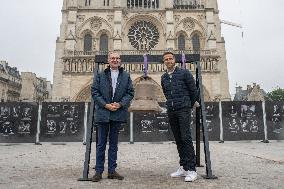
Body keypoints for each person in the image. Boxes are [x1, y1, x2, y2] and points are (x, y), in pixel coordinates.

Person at [91, 52, 134, 182]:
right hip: (103, 112)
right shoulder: (100, 75)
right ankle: (98, 171)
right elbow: (94, 92)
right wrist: (105, 105)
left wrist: (120, 104)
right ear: (108, 60)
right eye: (112, 58)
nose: (115, 60)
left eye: (117, 58)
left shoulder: (126, 76)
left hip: (117, 112)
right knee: (101, 144)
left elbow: (130, 92)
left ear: (120, 61)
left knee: (114, 144)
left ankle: (111, 171)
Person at [161, 51, 199, 182]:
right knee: (178, 139)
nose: (168, 61)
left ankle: (192, 169)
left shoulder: (184, 73)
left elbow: (194, 91)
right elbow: (166, 92)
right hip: (171, 110)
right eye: (166, 59)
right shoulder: (164, 77)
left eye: (170, 58)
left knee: (185, 138)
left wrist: (187, 104)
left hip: (183, 109)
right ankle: (183, 166)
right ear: (164, 62)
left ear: (174, 60)